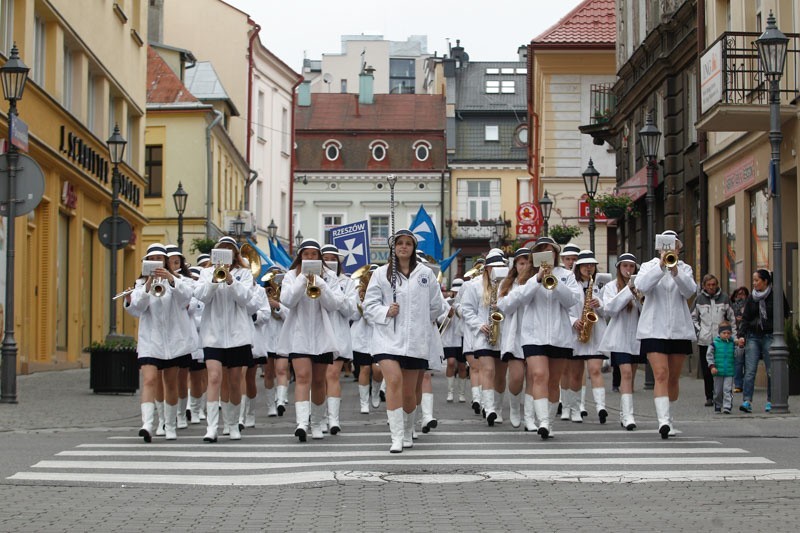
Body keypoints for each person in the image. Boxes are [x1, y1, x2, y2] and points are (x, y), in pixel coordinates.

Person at [363, 229, 448, 453]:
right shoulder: (381, 274)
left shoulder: (426, 274)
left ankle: (409, 429)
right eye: (399, 243)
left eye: (407, 243)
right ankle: (396, 437)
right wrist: (385, 311)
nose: (403, 247)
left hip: (416, 341)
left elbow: (437, 305)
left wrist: (420, 320)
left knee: (410, 393)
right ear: (393, 247)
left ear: (413, 247)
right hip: (387, 338)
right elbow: (368, 306)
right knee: (394, 381)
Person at [507, 236, 581, 439]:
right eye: (542, 251)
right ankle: (543, 423)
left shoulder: (566, 275)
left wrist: (554, 283)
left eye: (550, 251)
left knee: (553, 381)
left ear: (556, 254)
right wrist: (537, 279)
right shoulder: (527, 277)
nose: (547, 255)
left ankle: (548, 421)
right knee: (539, 375)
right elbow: (515, 301)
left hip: (560, 336)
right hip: (533, 336)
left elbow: (572, 301)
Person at [124, 243, 195, 442]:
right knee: (149, 381)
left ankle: (169, 424)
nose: (156, 263)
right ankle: (147, 424)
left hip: (172, 343)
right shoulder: (140, 284)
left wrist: (171, 279)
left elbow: (187, 299)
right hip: (150, 340)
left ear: (165, 262)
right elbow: (135, 309)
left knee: (170, 384)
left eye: (159, 259)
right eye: (152, 259)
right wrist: (147, 287)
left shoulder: (178, 280)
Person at [277, 239, 343, 441]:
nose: (310, 258)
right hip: (300, 335)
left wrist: (320, 282)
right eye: (306, 254)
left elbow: (334, 305)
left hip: (323, 336)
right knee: (303, 377)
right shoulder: (291, 276)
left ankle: (316, 422)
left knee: (318, 381)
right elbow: (287, 300)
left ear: (320, 257)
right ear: (300, 256)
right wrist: (302, 280)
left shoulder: (330, 276)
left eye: (314, 255)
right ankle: (302, 423)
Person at [634, 230, 697, 439]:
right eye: (666, 245)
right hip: (654, 329)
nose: (670, 249)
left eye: (674, 245)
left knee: (673, 378)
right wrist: (661, 266)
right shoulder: (648, 267)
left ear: (678, 248)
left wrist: (675, 270)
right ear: (659, 247)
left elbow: (689, 291)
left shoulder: (685, 268)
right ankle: (663, 421)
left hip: (678, 330)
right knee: (661, 373)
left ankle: (669, 417)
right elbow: (641, 286)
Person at [193, 236, 255, 442]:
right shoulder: (205, 272)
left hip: (238, 336)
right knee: (214, 378)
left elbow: (246, 299)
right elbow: (201, 296)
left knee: (235, 382)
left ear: (235, 255)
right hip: (213, 335)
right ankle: (212, 427)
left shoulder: (244, 274)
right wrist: (214, 280)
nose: (226, 253)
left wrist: (230, 280)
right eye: (222, 249)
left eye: (230, 250)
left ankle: (232, 424)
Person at [461, 250, 508, 426]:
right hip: (483, 334)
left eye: (501, 267)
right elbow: (466, 309)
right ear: (487, 268)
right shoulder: (474, 285)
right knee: (488, 370)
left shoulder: (508, 286)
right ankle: (489, 409)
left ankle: (498, 407)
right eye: (494, 267)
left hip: (503, 335)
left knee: (501, 375)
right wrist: (478, 325)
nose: (497, 270)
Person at [598, 253, 643, 430]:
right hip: (619, 337)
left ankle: (625, 412)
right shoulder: (610, 287)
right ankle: (629, 416)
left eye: (631, 267)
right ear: (619, 268)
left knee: (630, 376)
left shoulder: (641, 286)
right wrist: (627, 291)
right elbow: (610, 309)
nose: (628, 270)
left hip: (636, 337)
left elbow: (645, 308)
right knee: (625, 373)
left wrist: (637, 293)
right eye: (625, 266)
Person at [738, 269, 789, 413]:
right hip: (753, 336)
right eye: (753, 280)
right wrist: (741, 334)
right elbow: (746, 318)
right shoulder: (751, 298)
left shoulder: (776, 295)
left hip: (770, 336)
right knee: (750, 370)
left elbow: (785, 312)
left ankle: (771, 401)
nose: (754, 283)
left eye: (757, 280)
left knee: (771, 370)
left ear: (765, 281)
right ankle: (747, 401)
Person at [567, 250, 608, 424]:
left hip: (595, 331)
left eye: (591, 265)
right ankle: (576, 409)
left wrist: (600, 304)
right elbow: (564, 308)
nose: (588, 268)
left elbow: (608, 310)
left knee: (595, 370)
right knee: (576, 374)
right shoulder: (571, 283)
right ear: (579, 267)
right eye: (585, 265)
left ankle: (601, 407)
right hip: (577, 333)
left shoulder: (600, 284)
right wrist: (573, 321)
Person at [321, 244, 359, 435]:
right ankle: (319, 416)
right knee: (319, 378)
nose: (329, 262)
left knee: (332, 375)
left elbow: (351, 310)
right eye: (325, 258)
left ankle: (333, 419)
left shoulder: (348, 282)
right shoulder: (313, 279)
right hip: (319, 334)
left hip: (339, 334)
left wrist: (338, 296)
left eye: (332, 259)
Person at [496, 247, 532, 430]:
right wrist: (523, 290)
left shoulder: (537, 281)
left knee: (534, 377)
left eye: (527, 263)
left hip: (534, 334)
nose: (524, 266)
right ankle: (515, 407)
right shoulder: (507, 284)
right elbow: (505, 307)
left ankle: (531, 416)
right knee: (517, 377)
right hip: (515, 336)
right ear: (515, 265)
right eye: (521, 263)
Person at [691, 274, 736, 407]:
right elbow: (692, 318)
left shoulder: (725, 298)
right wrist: (699, 331)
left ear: (717, 285)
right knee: (707, 369)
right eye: (708, 285)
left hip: (722, 341)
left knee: (722, 368)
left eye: (713, 284)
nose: (711, 287)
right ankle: (709, 396)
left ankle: (721, 396)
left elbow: (731, 318)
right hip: (705, 340)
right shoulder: (699, 299)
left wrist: (732, 335)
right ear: (704, 286)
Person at [351, 264, 379, 414]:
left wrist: (370, 313)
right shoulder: (358, 292)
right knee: (365, 368)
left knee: (378, 370)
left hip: (378, 336)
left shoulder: (384, 292)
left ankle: (375, 392)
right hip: (361, 338)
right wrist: (360, 307)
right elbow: (353, 316)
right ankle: (364, 403)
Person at [441, 279, 467, 404]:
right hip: (449, 338)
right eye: (455, 292)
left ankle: (461, 393)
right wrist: (449, 315)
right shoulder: (446, 303)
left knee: (462, 365)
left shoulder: (466, 302)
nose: (456, 294)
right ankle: (450, 392)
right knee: (451, 363)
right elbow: (440, 320)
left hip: (462, 338)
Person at [707, 322, 736, 414]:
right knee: (718, 390)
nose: (726, 335)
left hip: (729, 371)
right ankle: (718, 404)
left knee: (727, 390)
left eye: (728, 333)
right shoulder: (714, 344)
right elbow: (709, 356)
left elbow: (738, 356)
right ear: (719, 333)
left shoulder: (732, 344)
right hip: (718, 371)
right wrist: (712, 366)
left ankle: (727, 406)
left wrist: (740, 347)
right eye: (724, 333)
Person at [730, 286, 750, 392]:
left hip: (748, 335)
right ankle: (738, 384)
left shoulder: (749, 304)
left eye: (743, 294)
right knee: (738, 360)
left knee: (748, 362)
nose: (740, 296)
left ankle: (746, 383)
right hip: (737, 335)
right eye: (739, 294)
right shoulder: (732, 305)